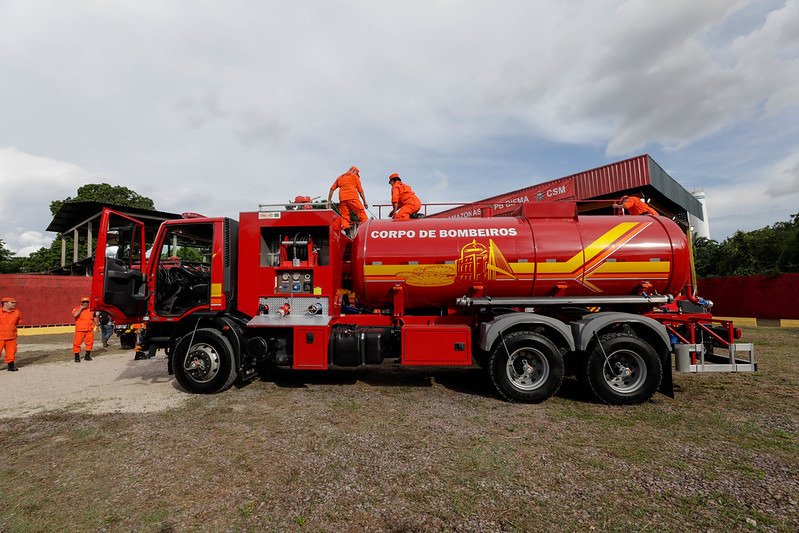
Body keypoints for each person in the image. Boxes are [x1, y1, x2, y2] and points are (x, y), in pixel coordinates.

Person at [327, 166, 368, 236]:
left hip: (343, 200)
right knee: (361, 213)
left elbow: (332, 189)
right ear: (354, 171)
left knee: (344, 217)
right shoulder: (355, 177)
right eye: (357, 173)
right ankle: (368, 228)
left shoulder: (340, 178)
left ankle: (348, 233)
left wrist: (329, 200)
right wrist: (365, 202)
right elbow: (360, 190)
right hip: (353, 198)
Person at [72, 297, 98, 362]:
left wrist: (97, 325)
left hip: (89, 329)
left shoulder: (91, 310)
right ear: (81, 302)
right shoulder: (77, 308)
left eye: (87, 302)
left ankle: (87, 355)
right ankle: (77, 356)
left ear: (89, 302)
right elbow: (75, 315)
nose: (85, 303)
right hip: (80, 329)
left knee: (90, 343)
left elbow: (94, 317)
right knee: (77, 343)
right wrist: (81, 308)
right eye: (84, 302)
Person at [0, 297, 22, 372]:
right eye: (12, 302)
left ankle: (11, 366)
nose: (14, 304)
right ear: (5, 303)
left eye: (14, 303)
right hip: (0, 337)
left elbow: (18, 322)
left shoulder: (17, 312)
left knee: (11, 352)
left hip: (11, 336)